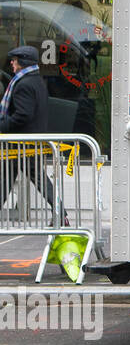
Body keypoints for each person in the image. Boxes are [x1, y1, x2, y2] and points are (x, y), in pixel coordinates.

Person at [0, 45, 65, 227]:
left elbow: (23, 115)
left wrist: (2, 126)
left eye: (14, 60)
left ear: (22, 62)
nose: (12, 63)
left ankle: (62, 214)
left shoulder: (24, 84)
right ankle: (61, 214)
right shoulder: (35, 80)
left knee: (36, 179)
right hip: (26, 142)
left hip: (22, 142)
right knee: (6, 179)